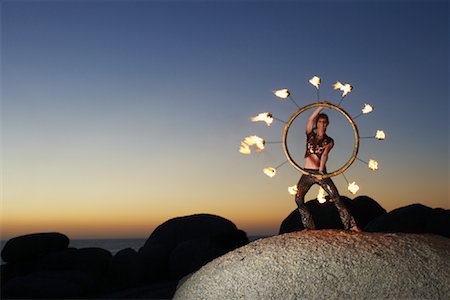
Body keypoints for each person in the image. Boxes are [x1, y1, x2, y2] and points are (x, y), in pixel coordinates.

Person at [295, 102, 360, 231]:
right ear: (317, 123)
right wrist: (321, 106)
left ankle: (351, 225)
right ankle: (309, 227)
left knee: (335, 197)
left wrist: (320, 172)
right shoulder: (310, 135)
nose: (322, 124)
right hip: (306, 173)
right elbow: (310, 119)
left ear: (327, 124)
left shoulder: (329, 141)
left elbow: (324, 156)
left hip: (321, 173)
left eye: (324, 122)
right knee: (298, 199)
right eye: (320, 121)